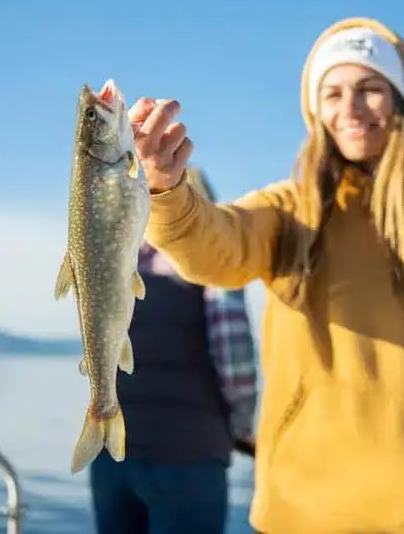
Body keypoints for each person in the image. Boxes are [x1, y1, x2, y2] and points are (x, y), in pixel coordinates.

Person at [130, 17, 404, 533]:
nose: (348, 109)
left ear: (402, 101)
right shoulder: (288, 210)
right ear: (314, 108)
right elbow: (215, 243)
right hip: (298, 515)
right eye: (332, 93)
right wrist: (167, 192)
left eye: (369, 89)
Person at [88, 166, 258, 534]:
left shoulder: (119, 261)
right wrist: (244, 426)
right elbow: (234, 357)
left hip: (111, 454)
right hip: (189, 457)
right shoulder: (213, 261)